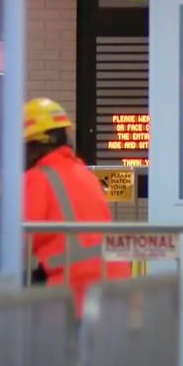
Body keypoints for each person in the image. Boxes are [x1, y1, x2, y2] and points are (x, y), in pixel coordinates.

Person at [23, 97, 131, 316]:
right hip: (114, 294)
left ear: (32, 146)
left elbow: (16, 245)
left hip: (74, 296)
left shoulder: (36, 180)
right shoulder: (84, 174)